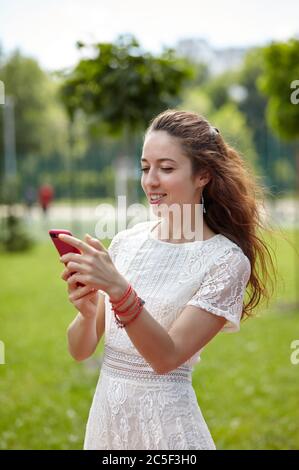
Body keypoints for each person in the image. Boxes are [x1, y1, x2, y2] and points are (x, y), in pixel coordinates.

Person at [59, 110, 275, 450]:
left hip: (166, 433)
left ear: (203, 174)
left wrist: (118, 290)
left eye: (167, 168)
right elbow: (80, 350)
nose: (150, 181)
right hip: (105, 430)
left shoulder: (226, 261)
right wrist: (87, 314)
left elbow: (165, 358)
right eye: (146, 167)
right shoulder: (126, 242)